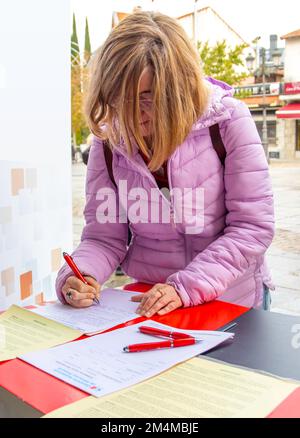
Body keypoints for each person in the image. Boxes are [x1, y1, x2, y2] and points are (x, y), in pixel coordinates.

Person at [56, 11, 275, 316]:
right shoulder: (107, 143)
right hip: (151, 304)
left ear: (179, 87)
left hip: (231, 301)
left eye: (148, 97)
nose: (133, 113)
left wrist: (185, 287)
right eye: (120, 97)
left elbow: (252, 227)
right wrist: (81, 275)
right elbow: (103, 238)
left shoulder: (226, 121)